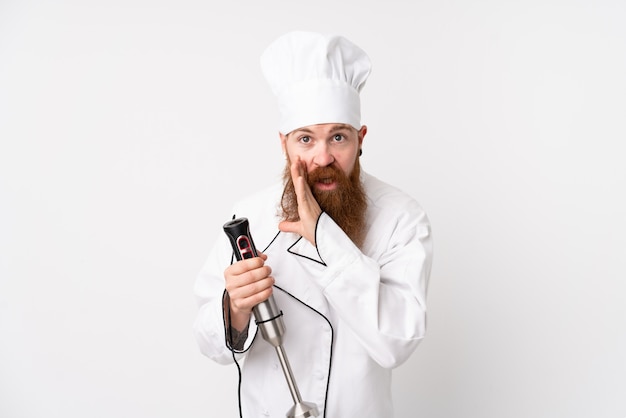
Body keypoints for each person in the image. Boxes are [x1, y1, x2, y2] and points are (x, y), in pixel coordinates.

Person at [193, 31, 433, 418]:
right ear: (284, 144)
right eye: (306, 139)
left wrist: (324, 238)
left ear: (360, 139)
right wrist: (234, 308)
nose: (323, 157)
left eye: (338, 137)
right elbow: (209, 342)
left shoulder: (401, 216)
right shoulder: (249, 216)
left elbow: (396, 342)